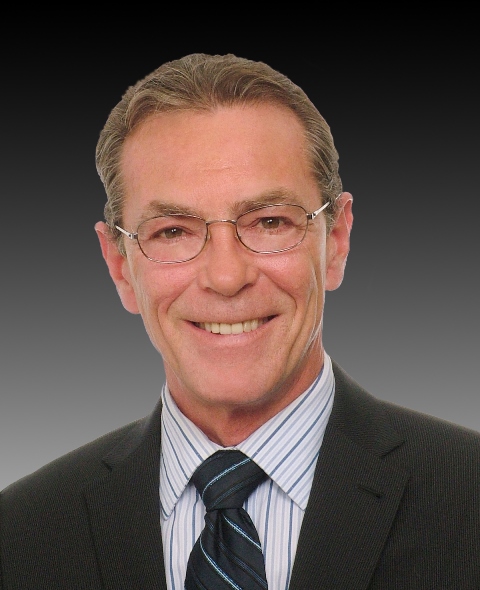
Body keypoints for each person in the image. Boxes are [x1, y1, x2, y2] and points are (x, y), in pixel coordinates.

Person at [1, 52, 479, 590]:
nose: (226, 277)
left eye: (269, 222)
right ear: (119, 266)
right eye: (173, 231)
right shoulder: (18, 537)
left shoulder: (469, 497)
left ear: (337, 241)